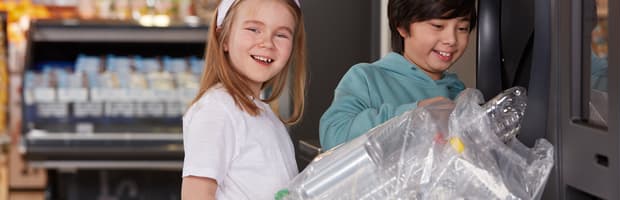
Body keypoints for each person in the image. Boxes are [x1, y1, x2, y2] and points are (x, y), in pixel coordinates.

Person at [180, 0, 306, 199]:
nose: (267, 43)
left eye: (281, 34)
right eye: (254, 29)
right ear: (224, 37)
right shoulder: (217, 110)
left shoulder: (264, 114)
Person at [319, 0, 477, 151]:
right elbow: (334, 138)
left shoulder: (458, 92)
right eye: (438, 26)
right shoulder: (366, 79)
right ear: (402, 26)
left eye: (462, 28)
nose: (451, 40)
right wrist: (413, 116)